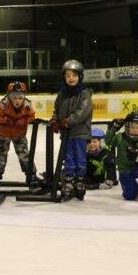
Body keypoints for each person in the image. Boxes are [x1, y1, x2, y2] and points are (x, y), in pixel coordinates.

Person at [51, 59, 93, 201]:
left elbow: (82, 112)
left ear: (80, 76)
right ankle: (68, 181)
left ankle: (80, 181)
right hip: (67, 133)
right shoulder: (62, 94)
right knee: (68, 157)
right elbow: (57, 109)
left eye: (74, 75)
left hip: (80, 132)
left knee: (79, 157)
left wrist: (68, 121)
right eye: (68, 75)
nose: (71, 78)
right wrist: (55, 119)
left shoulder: (84, 93)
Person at [0, 81, 37, 184]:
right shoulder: (3, 105)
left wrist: (24, 121)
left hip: (19, 134)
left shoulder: (27, 106)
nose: (17, 101)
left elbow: (32, 116)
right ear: (10, 97)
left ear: (24, 98)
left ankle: (31, 175)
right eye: (14, 98)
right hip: (4, 134)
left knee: (24, 155)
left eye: (20, 98)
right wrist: (6, 120)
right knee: (0, 154)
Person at [106, 112, 138, 201]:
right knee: (130, 196)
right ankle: (133, 189)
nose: (135, 130)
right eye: (132, 127)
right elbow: (108, 142)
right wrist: (112, 129)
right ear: (127, 127)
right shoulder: (120, 137)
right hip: (125, 170)